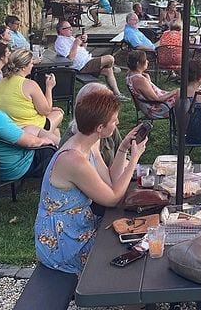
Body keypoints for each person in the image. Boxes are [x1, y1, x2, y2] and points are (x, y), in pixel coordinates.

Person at [34, 85, 147, 274]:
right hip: (63, 241)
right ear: (100, 127)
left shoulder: (90, 144)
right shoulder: (74, 159)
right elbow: (112, 198)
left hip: (80, 226)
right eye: (114, 120)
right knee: (131, 251)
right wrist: (134, 159)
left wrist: (123, 149)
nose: (118, 122)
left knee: (137, 241)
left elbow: (110, 182)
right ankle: (130, 298)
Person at [0, 48, 64, 139]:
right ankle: (55, 148)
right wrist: (49, 87)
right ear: (23, 67)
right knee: (58, 113)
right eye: (31, 63)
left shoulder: (2, 82)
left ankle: (52, 148)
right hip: (29, 128)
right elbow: (46, 111)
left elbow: (19, 103)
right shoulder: (29, 84)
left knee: (55, 130)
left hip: (8, 125)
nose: (32, 65)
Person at [53, 21, 125, 100]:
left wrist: (84, 42)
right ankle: (113, 67)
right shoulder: (60, 42)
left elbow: (81, 51)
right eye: (68, 28)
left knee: (108, 70)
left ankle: (117, 94)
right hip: (81, 66)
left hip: (88, 61)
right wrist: (76, 44)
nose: (71, 29)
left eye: (71, 27)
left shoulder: (70, 38)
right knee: (110, 58)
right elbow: (70, 58)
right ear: (61, 30)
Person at [125, 49, 177, 118]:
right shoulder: (139, 80)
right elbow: (157, 99)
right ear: (138, 63)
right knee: (186, 98)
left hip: (152, 105)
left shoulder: (130, 75)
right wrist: (174, 91)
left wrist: (148, 79)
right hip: (158, 108)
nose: (147, 61)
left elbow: (146, 92)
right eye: (145, 59)